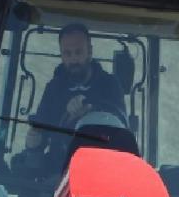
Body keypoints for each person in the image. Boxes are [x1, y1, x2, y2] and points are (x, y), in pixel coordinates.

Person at [24, 23, 126, 151]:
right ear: (61, 55)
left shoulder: (110, 85)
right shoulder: (54, 89)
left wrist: (90, 109)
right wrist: (33, 142)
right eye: (67, 53)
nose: (73, 59)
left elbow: (120, 124)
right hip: (59, 164)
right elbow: (41, 129)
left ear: (89, 52)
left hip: (100, 159)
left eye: (78, 52)